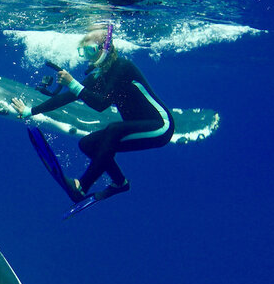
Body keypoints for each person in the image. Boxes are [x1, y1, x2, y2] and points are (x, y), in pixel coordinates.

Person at [11, 26, 174, 202]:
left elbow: (101, 104)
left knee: (114, 129)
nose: (89, 57)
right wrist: (30, 111)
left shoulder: (122, 67)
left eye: (91, 50)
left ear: (106, 48)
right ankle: (119, 183)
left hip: (160, 126)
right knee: (87, 144)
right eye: (84, 52)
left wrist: (73, 83)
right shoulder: (98, 76)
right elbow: (67, 97)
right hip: (139, 129)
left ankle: (81, 187)